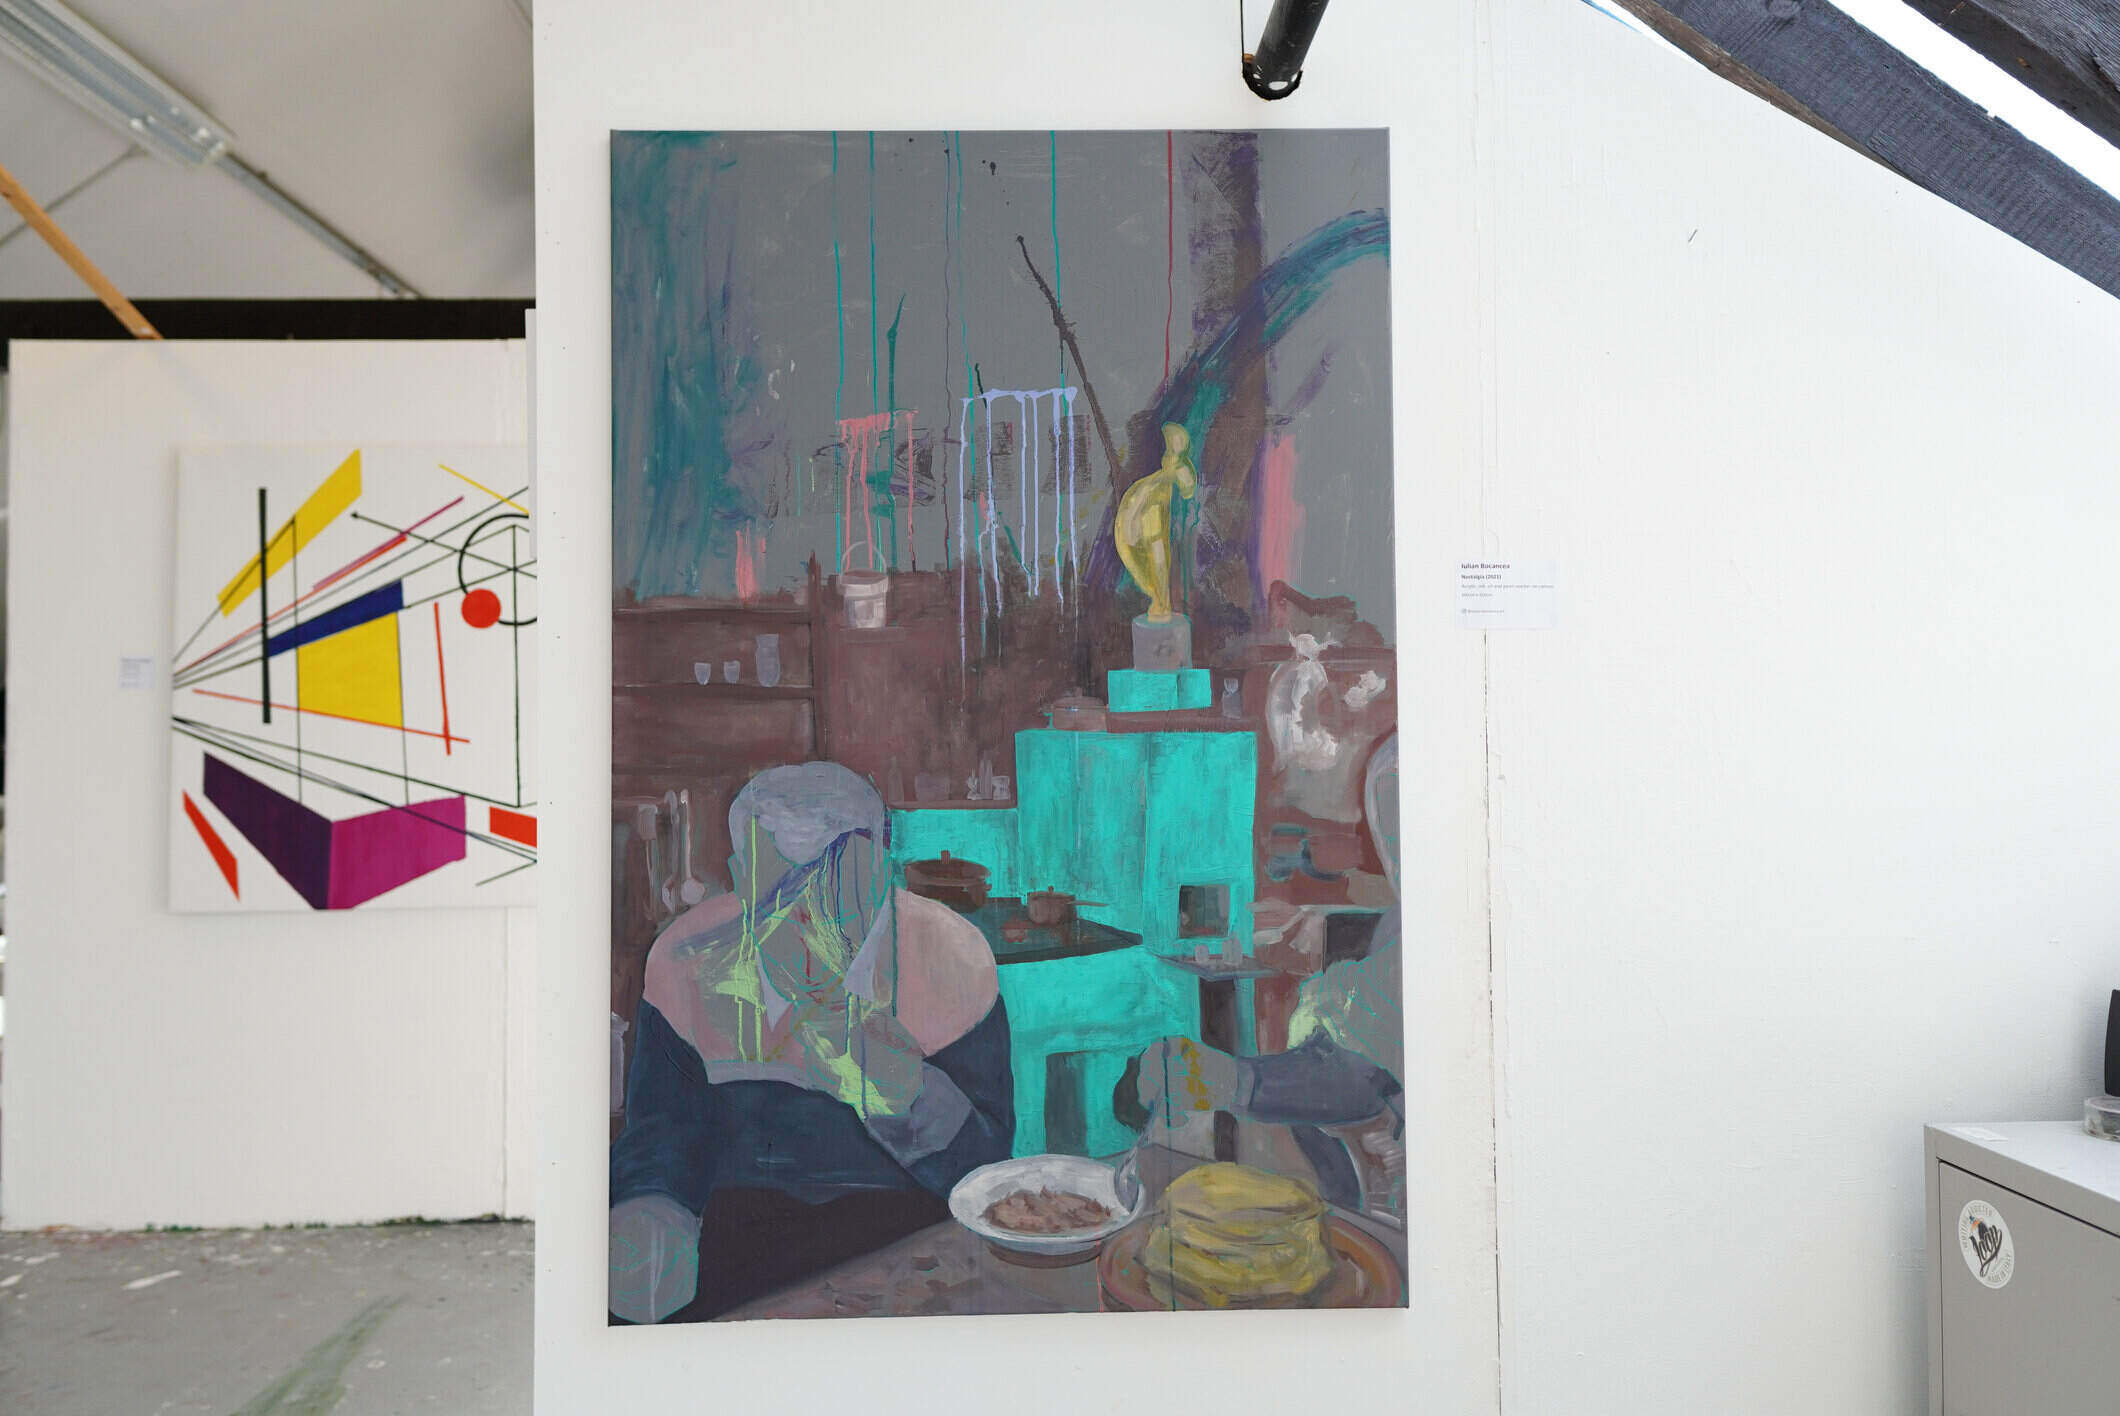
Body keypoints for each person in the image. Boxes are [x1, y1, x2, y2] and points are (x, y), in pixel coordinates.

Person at [609, 763, 1013, 1322]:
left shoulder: (951, 959)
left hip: (912, 1247)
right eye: (779, 896)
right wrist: (647, 1233)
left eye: (835, 895)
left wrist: (897, 1085)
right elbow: (660, 1144)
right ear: (741, 875)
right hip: (734, 1246)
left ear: (882, 873)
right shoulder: (686, 960)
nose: (808, 924)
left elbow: (984, 1174)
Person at [1131, 735, 1404, 1211]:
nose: (1402, 851)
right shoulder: (1407, 925)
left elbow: (1352, 1076)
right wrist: (1315, 926)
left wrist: (1232, 1079)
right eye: (1395, 832)